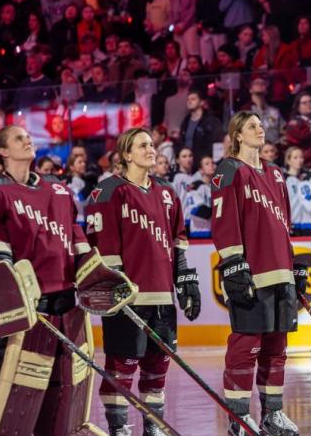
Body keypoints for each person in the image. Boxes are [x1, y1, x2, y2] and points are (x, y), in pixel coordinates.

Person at [0, 125, 102, 435]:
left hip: (63, 305)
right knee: (14, 390)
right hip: (20, 309)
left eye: (28, 137)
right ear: (2, 151)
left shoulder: (58, 189)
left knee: (59, 388)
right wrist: (14, 293)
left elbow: (76, 240)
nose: (27, 140)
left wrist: (95, 276)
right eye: (18, 138)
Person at [86, 127, 201, 435]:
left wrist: (185, 279)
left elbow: (177, 241)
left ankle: (153, 426)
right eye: (142, 145)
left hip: (163, 298)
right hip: (128, 300)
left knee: (157, 367)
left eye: (152, 144)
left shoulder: (167, 193)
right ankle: (119, 427)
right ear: (126, 154)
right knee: (122, 365)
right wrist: (116, 292)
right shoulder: (109, 192)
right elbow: (103, 252)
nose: (151, 150)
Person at [211, 111, 301, 435]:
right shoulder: (230, 171)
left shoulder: (276, 174)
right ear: (237, 135)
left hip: (280, 273)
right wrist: (233, 263)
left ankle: (272, 414)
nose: (260, 129)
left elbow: (285, 223)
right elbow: (223, 222)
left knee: (277, 349)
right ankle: (238, 416)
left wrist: (293, 264)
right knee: (246, 346)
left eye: (261, 125)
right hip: (253, 274)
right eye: (252, 126)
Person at [183, 156, 216, 238]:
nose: (211, 165)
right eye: (207, 164)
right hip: (199, 233)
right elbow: (197, 210)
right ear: (201, 170)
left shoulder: (219, 187)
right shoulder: (195, 186)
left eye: (213, 163)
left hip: (215, 233)